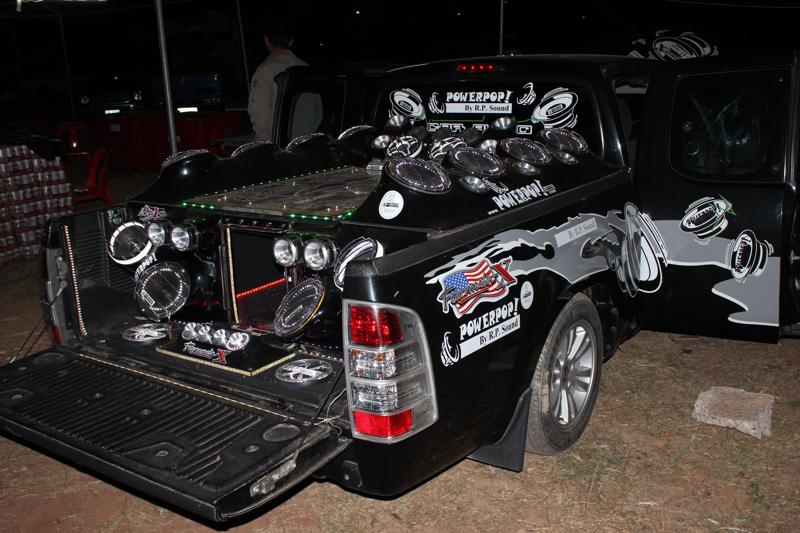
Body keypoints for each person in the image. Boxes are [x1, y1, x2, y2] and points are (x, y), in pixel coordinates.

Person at [247, 14, 307, 141]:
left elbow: (260, 117)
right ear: (291, 41)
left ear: (266, 40)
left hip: (276, 146)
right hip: (305, 144)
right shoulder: (306, 68)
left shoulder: (265, 70)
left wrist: (265, 146)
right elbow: (317, 112)